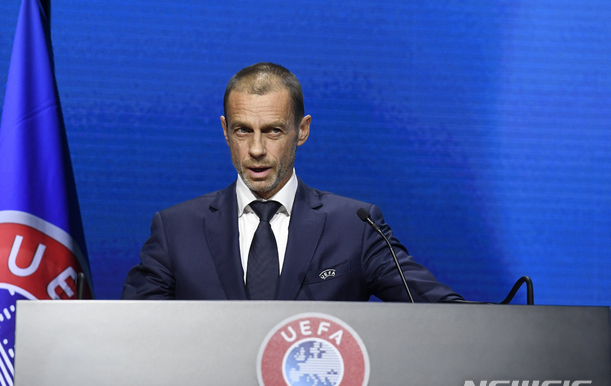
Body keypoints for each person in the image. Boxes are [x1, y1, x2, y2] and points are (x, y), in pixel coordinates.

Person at [122, 62, 462, 302]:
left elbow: (435, 309)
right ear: (225, 131)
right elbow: (130, 330)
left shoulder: (355, 227)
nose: (256, 149)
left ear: (302, 131)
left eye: (273, 130)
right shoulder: (176, 229)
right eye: (243, 130)